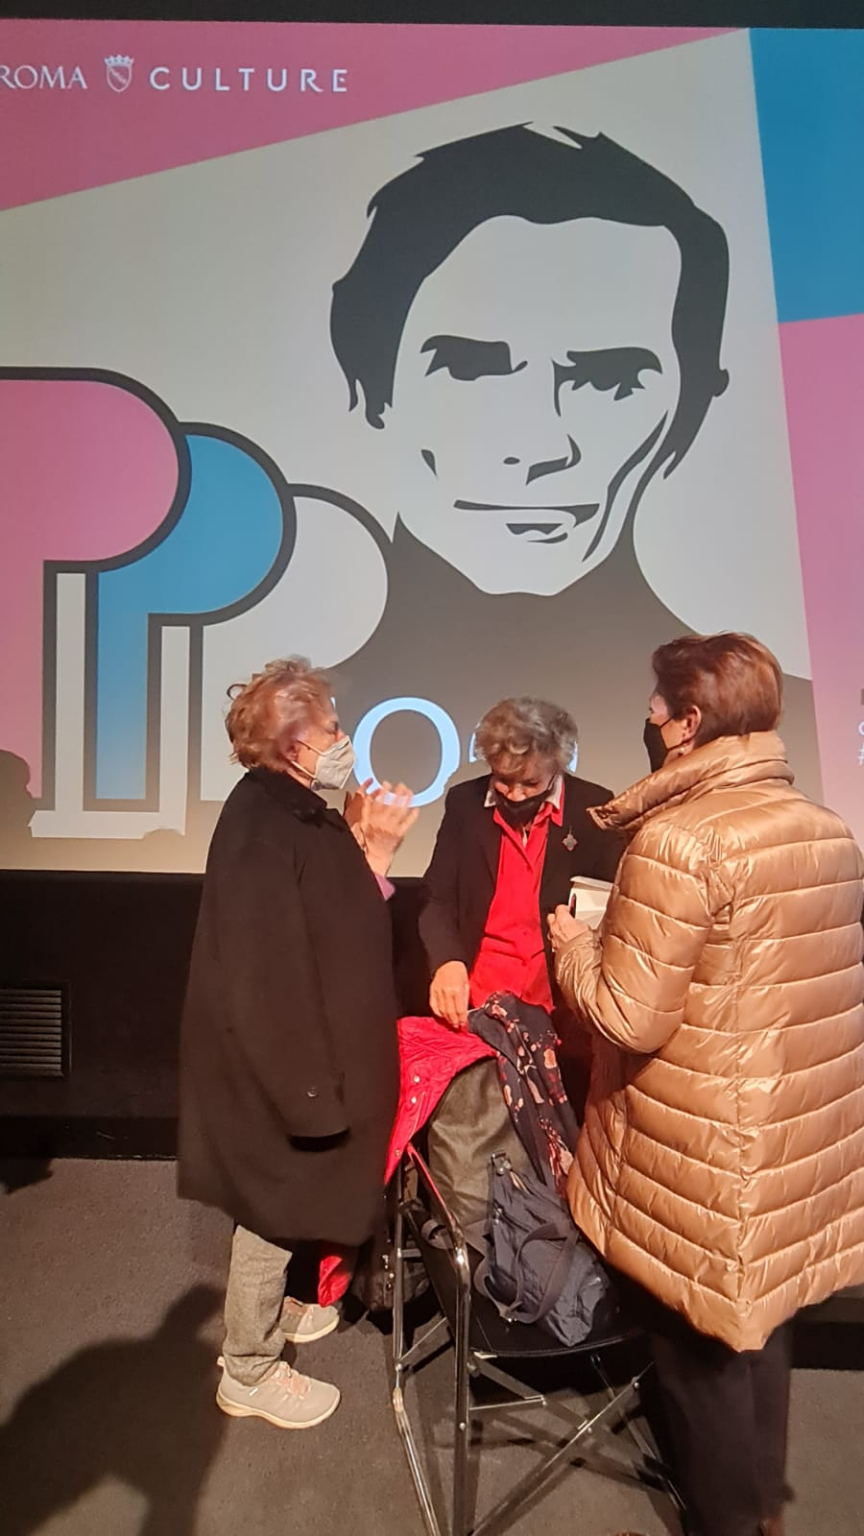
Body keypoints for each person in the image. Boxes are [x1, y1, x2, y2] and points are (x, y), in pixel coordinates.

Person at [547, 632, 864, 1536]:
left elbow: (627, 1016)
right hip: (794, 1143)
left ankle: (731, 1519)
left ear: (689, 724)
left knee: (698, 1352)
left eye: (657, 705)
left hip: (701, 1152)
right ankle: (761, 1508)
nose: (646, 717)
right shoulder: (828, 830)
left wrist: (575, 948)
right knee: (761, 1326)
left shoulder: (679, 840)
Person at [178, 657, 417, 1430]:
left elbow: (338, 920)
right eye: (332, 729)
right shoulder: (263, 824)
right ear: (292, 744)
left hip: (305, 1053)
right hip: (282, 1062)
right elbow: (265, 975)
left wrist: (372, 846)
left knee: (287, 1199)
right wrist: (307, 1090)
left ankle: (273, 1310)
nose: (344, 740)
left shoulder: (299, 809)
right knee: (272, 1204)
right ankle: (247, 1366)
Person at [420, 696, 622, 1100]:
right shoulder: (464, 804)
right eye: (503, 780)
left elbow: (613, 906)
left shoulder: (594, 808)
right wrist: (446, 962)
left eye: (530, 783)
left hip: (561, 1011)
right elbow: (437, 899)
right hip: (479, 1005)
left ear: (557, 765)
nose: (514, 794)